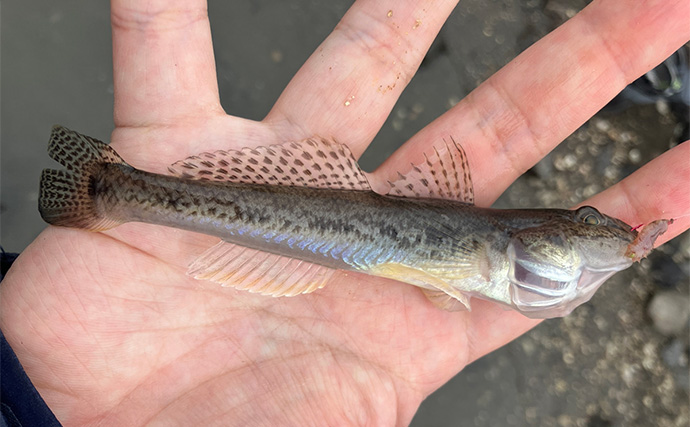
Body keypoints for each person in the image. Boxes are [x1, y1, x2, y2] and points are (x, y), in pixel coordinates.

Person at [1, 0, 689, 425]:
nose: (600, 238)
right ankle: (118, 191)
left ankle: (117, 191)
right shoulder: (490, 254)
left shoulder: (498, 255)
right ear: (535, 237)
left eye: (586, 229)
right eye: (581, 225)